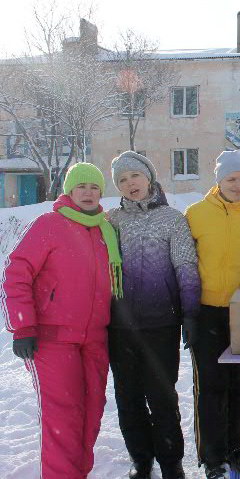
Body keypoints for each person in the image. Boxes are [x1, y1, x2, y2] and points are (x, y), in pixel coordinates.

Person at [2, 162, 120, 478]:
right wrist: (23, 326)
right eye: (81, 186)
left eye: (94, 187)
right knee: (62, 416)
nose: (88, 192)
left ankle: (77, 472)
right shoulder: (49, 224)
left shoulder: (105, 229)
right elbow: (16, 273)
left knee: (93, 410)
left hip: (95, 337)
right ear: (69, 190)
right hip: (53, 339)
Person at [107, 151, 201, 479]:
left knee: (162, 397)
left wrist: (190, 313)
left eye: (134, 176)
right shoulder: (112, 221)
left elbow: (186, 266)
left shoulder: (172, 219)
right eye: (122, 179)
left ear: (149, 177)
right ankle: (141, 459)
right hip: (121, 327)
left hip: (162, 323)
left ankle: (171, 461)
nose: (130, 183)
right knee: (127, 397)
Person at [184, 150, 240, 479]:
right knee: (209, 386)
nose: (238, 185)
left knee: (238, 384)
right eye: (231, 179)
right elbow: (186, 261)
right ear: (218, 180)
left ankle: (234, 451)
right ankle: (213, 458)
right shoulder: (196, 214)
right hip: (204, 312)